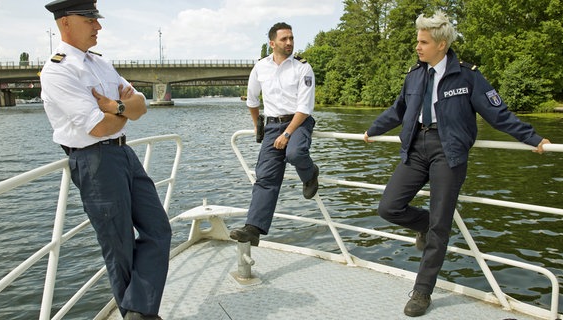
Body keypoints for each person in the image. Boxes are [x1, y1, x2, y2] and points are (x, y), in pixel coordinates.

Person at [363, 11, 551, 317]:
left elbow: (498, 113)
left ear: (441, 44)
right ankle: (426, 225)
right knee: (389, 207)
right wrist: (373, 130)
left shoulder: (468, 77)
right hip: (415, 146)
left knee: (441, 224)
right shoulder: (414, 74)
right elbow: (398, 110)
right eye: (417, 41)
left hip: (448, 151)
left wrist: (533, 138)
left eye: (423, 42)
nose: (417, 47)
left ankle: (422, 292)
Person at [40, 1, 171, 319]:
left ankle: (138, 309)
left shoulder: (101, 64)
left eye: (97, 20)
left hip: (124, 153)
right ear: (66, 22)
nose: (98, 26)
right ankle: (137, 314)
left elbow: (140, 105)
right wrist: (122, 110)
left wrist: (118, 108)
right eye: (90, 20)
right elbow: (98, 126)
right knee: (119, 244)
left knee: (159, 229)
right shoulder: (58, 70)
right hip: (93, 161)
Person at [229, 22, 319, 246]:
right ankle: (253, 229)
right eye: (284, 39)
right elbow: (251, 101)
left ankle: (310, 173)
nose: (289, 43)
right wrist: (257, 125)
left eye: (291, 38)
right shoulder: (260, 67)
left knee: (295, 153)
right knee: (266, 177)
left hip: (298, 123)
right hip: (271, 126)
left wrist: (287, 134)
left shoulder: (302, 68)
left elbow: (305, 108)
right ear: (272, 43)